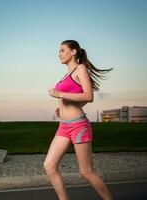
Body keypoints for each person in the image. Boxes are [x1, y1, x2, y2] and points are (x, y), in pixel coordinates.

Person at [44, 40, 113, 200]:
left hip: (78, 125)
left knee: (86, 172)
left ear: (73, 52)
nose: (59, 54)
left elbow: (89, 96)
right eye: (58, 51)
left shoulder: (80, 68)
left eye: (62, 50)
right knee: (49, 166)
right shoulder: (66, 75)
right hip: (64, 126)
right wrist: (62, 107)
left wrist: (60, 95)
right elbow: (79, 99)